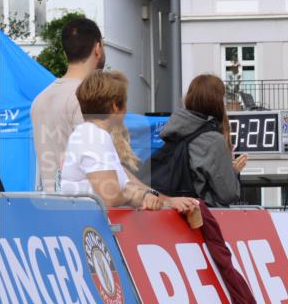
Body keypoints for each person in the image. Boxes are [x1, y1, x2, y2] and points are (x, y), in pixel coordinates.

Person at [57, 70, 197, 216]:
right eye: (125, 102)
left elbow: (130, 182)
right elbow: (111, 196)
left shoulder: (89, 133)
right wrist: (137, 197)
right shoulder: (94, 136)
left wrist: (168, 201)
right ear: (115, 107)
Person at [32, 17, 106, 191]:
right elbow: (101, 166)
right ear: (98, 49)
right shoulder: (88, 99)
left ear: (65, 54)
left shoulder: (39, 100)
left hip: (47, 202)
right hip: (84, 204)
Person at [156, 75, 246, 206]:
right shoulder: (214, 141)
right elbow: (228, 195)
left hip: (169, 210)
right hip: (197, 214)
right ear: (216, 102)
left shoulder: (174, 130)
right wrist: (233, 172)